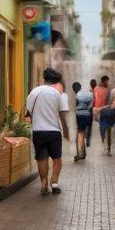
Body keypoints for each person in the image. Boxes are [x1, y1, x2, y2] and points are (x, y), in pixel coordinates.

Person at [25, 67, 70, 196]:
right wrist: (65, 130)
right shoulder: (57, 94)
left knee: (42, 158)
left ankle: (43, 183)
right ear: (55, 81)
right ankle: (54, 182)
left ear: (44, 79)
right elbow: (62, 114)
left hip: (38, 131)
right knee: (57, 159)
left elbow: (28, 111)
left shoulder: (34, 92)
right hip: (53, 131)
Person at [72, 81, 93, 161]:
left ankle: (80, 154)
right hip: (88, 115)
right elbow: (91, 106)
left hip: (80, 116)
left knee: (80, 134)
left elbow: (77, 107)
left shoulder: (77, 95)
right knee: (82, 133)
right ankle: (83, 153)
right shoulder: (88, 94)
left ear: (74, 89)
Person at [86, 78, 98, 147]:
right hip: (95, 108)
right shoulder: (96, 90)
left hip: (90, 108)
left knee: (89, 124)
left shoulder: (90, 91)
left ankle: (87, 138)